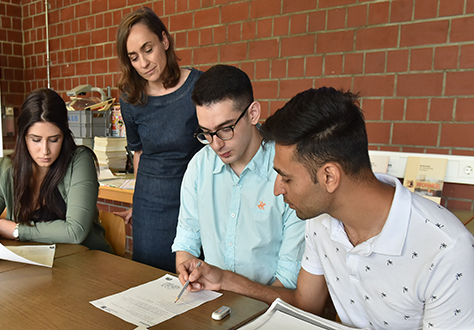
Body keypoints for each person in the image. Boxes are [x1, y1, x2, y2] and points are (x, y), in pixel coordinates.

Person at [178, 87, 474, 329]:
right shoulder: (321, 219)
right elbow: (305, 304)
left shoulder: (448, 251)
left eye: (286, 178)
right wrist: (225, 279)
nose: (277, 188)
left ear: (329, 177)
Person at [172, 65, 305, 289]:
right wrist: (186, 271)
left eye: (226, 129)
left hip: (269, 308)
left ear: (253, 114)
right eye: (206, 132)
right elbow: (186, 241)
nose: (216, 144)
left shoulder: (288, 169)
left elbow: (289, 280)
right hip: (211, 303)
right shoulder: (199, 165)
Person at [0, 88, 111, 262]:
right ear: (24, 137)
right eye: (36, 139)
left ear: (64, 135)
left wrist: (18, 231)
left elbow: (75, 231)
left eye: (54, 139)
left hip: (85, 266)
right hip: (33, 267)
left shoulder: (79, 161)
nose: (45, 150)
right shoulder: (7, 169)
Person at [115, 7, 203, 272]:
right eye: (134, 57)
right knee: (148, 279)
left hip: (192, 201)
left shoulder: (198, 86)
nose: (143, 63)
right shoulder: (130, 97)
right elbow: (139, 153)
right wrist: (136, 203)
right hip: (149, 204)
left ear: (164, 41)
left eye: (148, 49)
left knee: (192, 282)